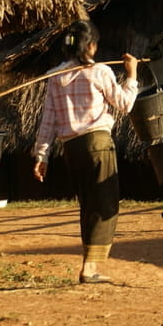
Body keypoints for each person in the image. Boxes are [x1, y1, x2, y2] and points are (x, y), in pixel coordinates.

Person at [32, 20, 138, 284]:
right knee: (104, 203)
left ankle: (88, 264)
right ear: (91, 46)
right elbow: (124, 104)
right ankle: (90, 267)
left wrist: (41, 155)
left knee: (88, 205)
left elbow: (49, 119)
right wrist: (133, 75)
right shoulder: (101, 72)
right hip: (97, 144)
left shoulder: (54, 75)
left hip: (72, 149)